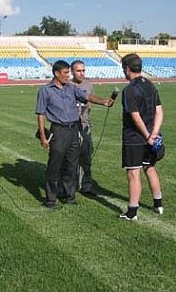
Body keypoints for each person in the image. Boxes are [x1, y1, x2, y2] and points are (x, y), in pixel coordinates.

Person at [35, 60, 114, 209]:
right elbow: (40, 114)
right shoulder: (45, 90)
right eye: (66, 73)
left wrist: (103, 102)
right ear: (57, 74)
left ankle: (69, 196)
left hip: (74, 129)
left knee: (71, 165)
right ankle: (51, 199)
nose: (68, 75)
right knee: (54, 165)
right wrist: (43, 136)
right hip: (58, 131)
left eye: (68, 72)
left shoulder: (71, 88)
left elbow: (88, 96)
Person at [119, 53, 164, 221]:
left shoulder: (129, 90)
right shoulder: (150, 85)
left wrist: (147, 135)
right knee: (150, 167)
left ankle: (132, 212)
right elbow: (159, 111)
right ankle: (158, 203)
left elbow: (135, 116)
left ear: (127, 68)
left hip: (135, 138)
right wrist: (154, 134)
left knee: (133, 173)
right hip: (153, 135)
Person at [70, 60, 114, 193]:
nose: (81, 73)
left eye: (83, 70)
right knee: (71, 158)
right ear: (72, 72)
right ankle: (68, 186)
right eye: (78, 71)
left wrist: (88, 108)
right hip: (71, 126)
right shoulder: (67, 85)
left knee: (86, 157)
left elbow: (91, 100)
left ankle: (86, 186)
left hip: (85, 125)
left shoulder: (88, 83)